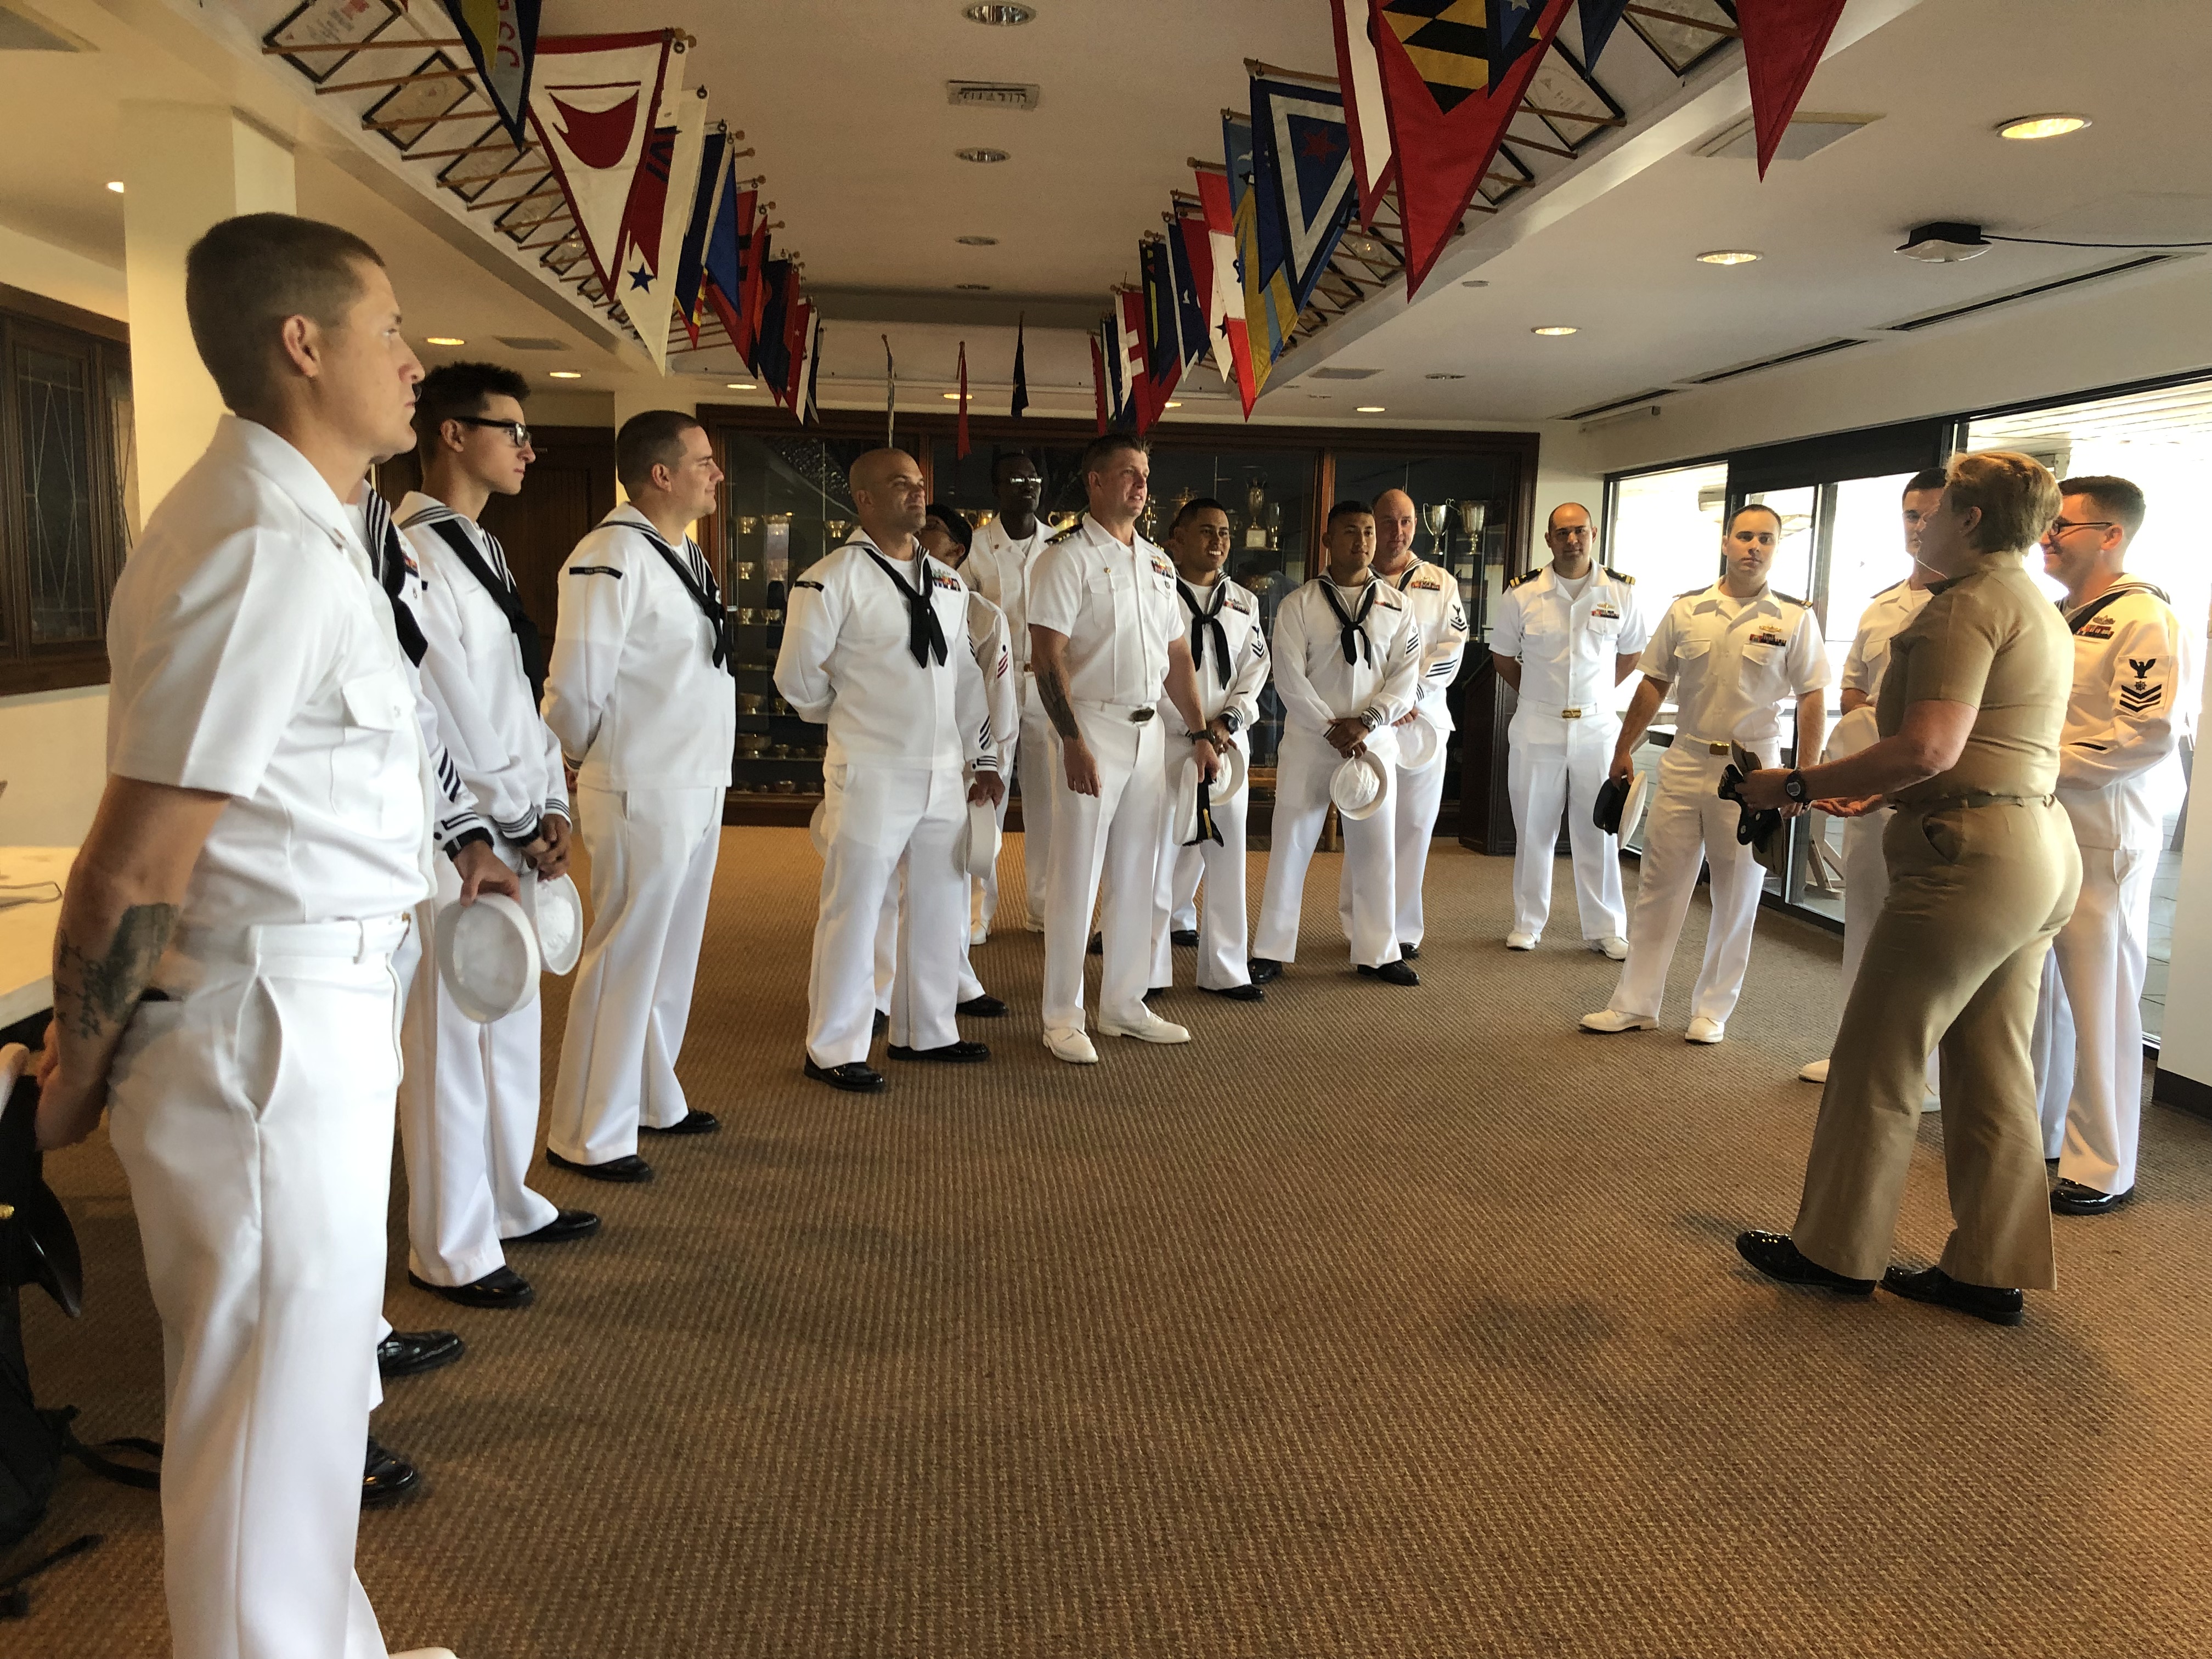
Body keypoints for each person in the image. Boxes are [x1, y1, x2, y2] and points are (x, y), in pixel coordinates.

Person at [32, 212, 481, 1659]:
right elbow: (132, 864)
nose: (415, 363)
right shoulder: (256, 547)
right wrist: (80, 1071)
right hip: (266, 1033)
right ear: (304, 345)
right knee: (260, 1423)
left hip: (314, 1011)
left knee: (303, 1411)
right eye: (390, 332)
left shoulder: (305, 525)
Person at [1735, 451, 2080, 1326]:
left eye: (1938, 510)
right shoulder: (2035, 602)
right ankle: (1986, 1270)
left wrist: (1797, 785)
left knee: (1877, 1058)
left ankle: (1835, 1251)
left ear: (1970, 520)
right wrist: (1881, 785)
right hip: (2034, 848)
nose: (1923, 524)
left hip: (1969, 857)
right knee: (1993, 1063)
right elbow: (1970, 744)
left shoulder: (1963, 607)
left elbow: (1929, 747)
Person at [396, 361, 599, 1310]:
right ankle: (451, 1243)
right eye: (508, 429)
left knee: (510, 1025)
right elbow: (432, 708)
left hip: (517, 820)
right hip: (460, 836)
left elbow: (509, 697)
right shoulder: (412, 552)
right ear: (449, 435)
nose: (526, 447)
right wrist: (490, 822)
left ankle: (508, 1196)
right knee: (449, 1041)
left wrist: (551, 800)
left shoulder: (478, 545)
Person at [542, 411, 735, 1178]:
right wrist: (569, 757)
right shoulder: (611, 555)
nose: (715, 473)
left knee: (669, 954)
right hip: (641, 780)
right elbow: (579, 683)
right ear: (661, 474)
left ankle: (653, 1095)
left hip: (694, 776)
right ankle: (589, 1132)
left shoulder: (681, 551)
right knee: (625, 955)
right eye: (703, 462)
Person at [778, 454, 1003, 1091]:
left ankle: (926, 1030)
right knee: (855, 905)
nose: (918, 493)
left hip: (942, 771)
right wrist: (857, 718)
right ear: (864, 500)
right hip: (872, 768)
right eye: (900, 484)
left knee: (940, 903)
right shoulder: (830, 580)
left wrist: (981, 755)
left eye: (920, 484)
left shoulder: (951, 585)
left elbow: (964, 679)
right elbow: (798, 682)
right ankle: (833, 1046)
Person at [1581, 503, 1828, 1043]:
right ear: (1725, 541)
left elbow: (1812, 697)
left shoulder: (1793, 617)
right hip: (1686, 760)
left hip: (1751, 771)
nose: (1753, 547)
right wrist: (1625, 747)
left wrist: (1804, 775)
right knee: (1658, 887)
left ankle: (1711, 1010)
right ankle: (1635, 1003)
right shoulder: (1688, 609)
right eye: (1744, 537)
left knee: (1737, 895)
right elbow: (1653, 683)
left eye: (1765, 539)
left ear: (1776, 548)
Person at [1028, 433, 1220, 1063]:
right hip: (1092, 730)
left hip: (1148, 736)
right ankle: (1062, 1016)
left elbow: (1177, 656)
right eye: (1127, 474)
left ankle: (1123, 1003)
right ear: (1095, 482)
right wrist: (1072, 741)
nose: (1140, 486)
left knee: (1142, 872)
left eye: (1144, 475)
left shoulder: (1160, 563)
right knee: (1076, 878)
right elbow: (1046, 656)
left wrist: (1196, 732)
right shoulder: (1065, 557)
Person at [2033, 475, 2196, 1214]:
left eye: (2062, 526)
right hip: (2047, 821)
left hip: (2106, 828)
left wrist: (2039, 765)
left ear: (2110, 535)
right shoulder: (2061, 615)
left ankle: (2105, 1167)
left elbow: (2146, 733)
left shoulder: (2143, 618)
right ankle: (2042, 1134)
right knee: (2046, 995)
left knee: (2101, 999)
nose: (2046, 537)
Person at [1799, 470, 1946, 1098]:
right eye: (1911, 515)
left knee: (1929, 933)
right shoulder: (1883, 605)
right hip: (1874, 788)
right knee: (1863, 919)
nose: (1919, 527)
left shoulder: (1977, 604)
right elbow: (1854, 687)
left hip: (1936, 795)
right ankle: (1854, 1054)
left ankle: (1928, 1074)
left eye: (1932, 515)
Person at [1250, 501, 1424, 988]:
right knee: (1291, 845)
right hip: (1312, 741)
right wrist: (1332, 727)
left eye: (1369, 532)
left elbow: (1405, 679)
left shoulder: (1398, 605)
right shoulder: (1299, 605)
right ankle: (1271, 949)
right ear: (1327, 541)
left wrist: (1366, 722)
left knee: (1375, 849)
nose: (1364, 541)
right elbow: (1287, 678)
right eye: (1351, 532)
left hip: (1373, 746)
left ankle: (1377, 951)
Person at [869, 502, 1021, 1038]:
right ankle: (879, 991)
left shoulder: (978, 612)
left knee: (949, 880)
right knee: (885, 880)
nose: (918, 540)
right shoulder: (874, 592)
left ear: (957, 551)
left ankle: (956, 979)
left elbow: (992, 697)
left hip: (962, 762)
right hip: (892, 756)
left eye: (930, 535)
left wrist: (988, 761)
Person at [1489, 501, 1645, 957]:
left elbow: (1633, 653)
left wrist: (1594, 695)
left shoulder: (1619, 593)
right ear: (1549, 539)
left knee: (1598, 828)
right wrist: (1541, 693)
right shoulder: (1522, 594)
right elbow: (1502, 657)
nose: (1571, 540)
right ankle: (1528, 922)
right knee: (1533, 828)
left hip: (1597, 727)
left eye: (1579, 531)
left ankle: (1605, 927)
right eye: (1562, 533)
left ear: (1593, 534)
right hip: (1538, 724)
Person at [1150, 496, 1270, 1001]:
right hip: (1167, 738)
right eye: (1205, 531)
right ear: (1176, 541)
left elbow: (1255, 671)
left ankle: (1225, 968)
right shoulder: (1155, 594)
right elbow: (1149, 671)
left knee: (1226, 855)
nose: (1218, 541)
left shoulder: (1245, 601)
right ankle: (1148, 969)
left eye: (1224, 532)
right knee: (1156, 855)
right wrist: (1195, 726)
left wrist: (1227, 722)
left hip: (1226, 745)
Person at [1341, 488, 1469, 962]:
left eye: (1406, 523)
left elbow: (1451, 648)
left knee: (1414, 825)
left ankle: (1404, 928)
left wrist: (1408, 694)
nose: (1397, 533)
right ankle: (1359, 923)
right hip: (1368, 722)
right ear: (1372, 525)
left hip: (1422, 721)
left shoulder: (1439, 582)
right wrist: (1385, 702)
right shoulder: (1352, 581)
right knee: (1366, 818)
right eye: (1387, 523)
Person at [961, 451, 1055, 935]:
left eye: (1034, 477)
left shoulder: (1061, 546)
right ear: (997, 488)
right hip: (991, 688)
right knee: (985, 798)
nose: (1028, 485)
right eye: (1016, 478)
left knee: (1047, 805)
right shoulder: (975, 549)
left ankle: (1042, 909)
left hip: (1046, 689)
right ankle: (978, 913)